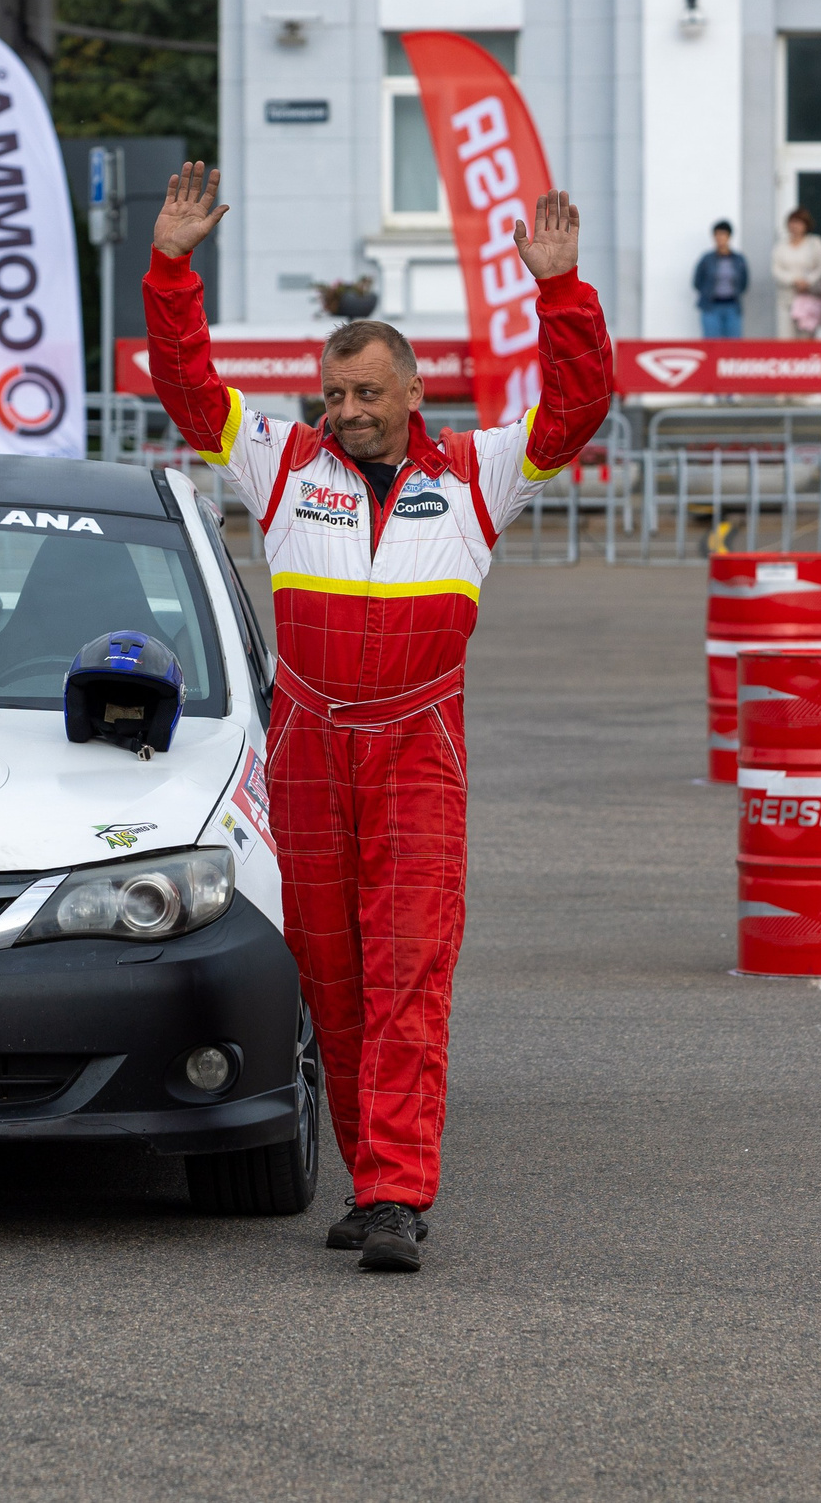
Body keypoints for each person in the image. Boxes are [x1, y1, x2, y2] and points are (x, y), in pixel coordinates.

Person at [145, 163, 613, 1272]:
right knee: (332, 978)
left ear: (412, 395)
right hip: (306, 741)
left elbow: (582, 404)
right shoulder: (274, 459)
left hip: (416, 743)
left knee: (409, 973)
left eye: (365, 394)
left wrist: (562, 293)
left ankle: (399, 1194)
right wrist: (170, 268)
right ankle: (369, 1182)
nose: (344, 412)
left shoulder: (484, 472)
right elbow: (182, 381)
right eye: (332, 394)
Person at [772, 208, 821, 339]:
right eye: (792, 222)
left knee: (806, 338)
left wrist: (808, 281)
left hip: (808, 298)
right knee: (786, 338)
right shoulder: (781, 246)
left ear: (806, 225)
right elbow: (776, 269)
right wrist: (794, 280)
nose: (795, 226)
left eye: (799, 223)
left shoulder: (815, 243)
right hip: (787, 299)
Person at [692, 221, 749, 338]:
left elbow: (744, 282)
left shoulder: (738, 259)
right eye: (717, 235)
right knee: (712, 344)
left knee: (733, 346)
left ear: (729, 237)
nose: (720, 238)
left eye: (723, 235)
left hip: (732, 306)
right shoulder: (707, 259)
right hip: (711, 306)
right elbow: (697, 282)